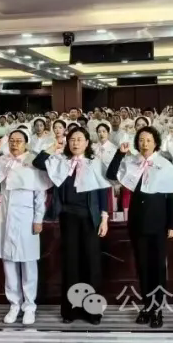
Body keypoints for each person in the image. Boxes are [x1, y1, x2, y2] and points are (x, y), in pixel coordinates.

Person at [105, 127, 173, 329]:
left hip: (159, 223)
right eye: (141, 140)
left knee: (158, 268)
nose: (144, 143)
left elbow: (171, 195)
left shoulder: (163, 165)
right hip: (137, 222)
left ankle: (158, 309)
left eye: (148, 140)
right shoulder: (132, 162)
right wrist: (120, 154)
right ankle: (147, 306)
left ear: (156, 143)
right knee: (142, 267)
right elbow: (111, 174)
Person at [32, 127, 110, 324]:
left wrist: (104, 218)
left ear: (87, 143)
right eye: (72, 139)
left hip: (90, 218)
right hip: (68, 217)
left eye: (79, 139)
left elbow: (103, 191)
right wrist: (53, 147)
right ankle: (70, 311)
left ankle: (93, 311)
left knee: (91, 264)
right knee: (70, 264)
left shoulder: (94, 162)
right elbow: (38, 162)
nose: (75, 143)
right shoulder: (61, 162)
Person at [0, 129, 50, 325]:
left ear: (26, 143)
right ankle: (14, 304)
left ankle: (29, 306)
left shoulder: (33, 161)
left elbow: (40, 195)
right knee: (8, 262)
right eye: (12, 141)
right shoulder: (4, 161)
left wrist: (38, 219)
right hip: (6, 217)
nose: (15, 144)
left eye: (19, 141)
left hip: (27, 218)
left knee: (28, 263)